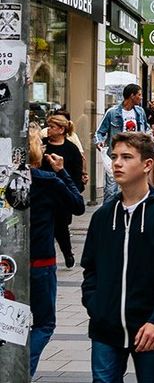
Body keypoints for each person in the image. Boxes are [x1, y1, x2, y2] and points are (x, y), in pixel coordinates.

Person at [82, 132, 154, 383]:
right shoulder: (103, 215)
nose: (117, 163)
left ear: (147, 165)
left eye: (126, 157)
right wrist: (95, 305)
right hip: (106, 326)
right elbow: (90, 268)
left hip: (150, 326)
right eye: (114, 156)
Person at [30, 130, 86, 376]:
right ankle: (22, 371)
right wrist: (61, 171)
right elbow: (78, 205)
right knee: (44, 323)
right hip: (40, 261)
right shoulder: (47, 180)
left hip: (8, 264)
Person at [42, 113, 86, 266]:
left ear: (61, 130)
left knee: (61, 228)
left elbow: (77, 173)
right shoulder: (42, 145)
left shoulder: (71, 149)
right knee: (45, 225)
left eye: (52, 127)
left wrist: (74, 191)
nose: (48, 130)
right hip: (44, 194)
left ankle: (67, 253)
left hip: (62, 195)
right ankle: (48, 255)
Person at [96, 84, 150, 199]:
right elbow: (100, 132)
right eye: (139, 95)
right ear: (132, 95)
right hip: (116, 157)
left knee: (134, 188)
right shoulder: (112, 112)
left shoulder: (140, 112)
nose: (141, 97)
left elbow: (146, 129)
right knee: (111, 190)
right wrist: (99, 142)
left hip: (135, 156)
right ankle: (109, 215)